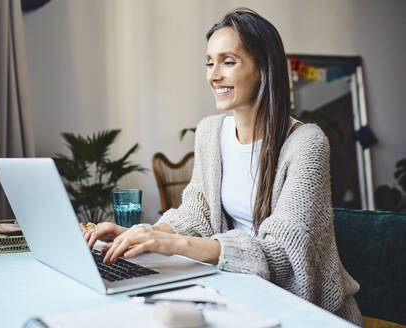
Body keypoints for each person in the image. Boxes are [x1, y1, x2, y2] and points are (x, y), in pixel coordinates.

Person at [84, 8, 362, 325]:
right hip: (238, 292)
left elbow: (284, 255)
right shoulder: (210, 133)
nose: (214, 75)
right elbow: (198, 211)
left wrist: (176, 244)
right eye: (209, 62)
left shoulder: (306, 144)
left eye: (228, 62)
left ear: (263, 69)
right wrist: (144, 234)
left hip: (302, 309)